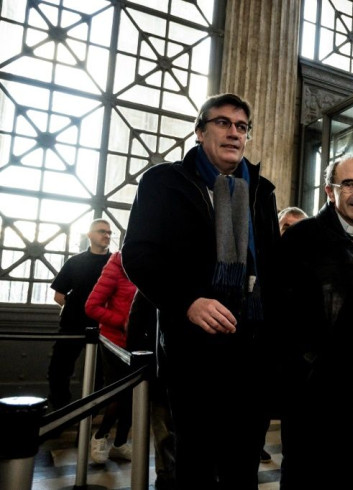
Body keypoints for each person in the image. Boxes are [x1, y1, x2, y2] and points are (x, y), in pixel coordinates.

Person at [121, 93, 280, 489]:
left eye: (242, 126)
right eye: (223, 123)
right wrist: (187, 301)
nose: (234, 133)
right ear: (200, 131)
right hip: (195, 351)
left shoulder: (262, 190)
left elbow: (274, 270)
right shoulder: (165, 182)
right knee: (195, 465)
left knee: (243, 465)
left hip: (253, 351)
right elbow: (138, 255)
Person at [278, 154, 353, 489]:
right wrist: (300, 373)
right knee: (308, 477)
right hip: (313, 395)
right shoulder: (301, 239)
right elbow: (280, 317)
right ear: (330, 190)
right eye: (349, 184)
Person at [257, 205, 308, 466]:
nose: (294, 233)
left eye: (300, 227)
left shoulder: (313, 267)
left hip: (295, 372)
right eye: (288, 227)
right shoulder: (263, 262)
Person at [47, 218, 112, 411]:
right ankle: (61, 413)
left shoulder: (115, 263)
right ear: (89, 235)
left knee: (101, 374)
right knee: (58, 370)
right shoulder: (75, 262)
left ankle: (92, 417)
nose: (107, 236)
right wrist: (75, 308)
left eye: (109, 233)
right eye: (102, 231)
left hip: (103, 327)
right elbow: (59, 296)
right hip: (72, 325)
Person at [85, 250, 137, 463]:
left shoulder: (151, 262)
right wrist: (122, 322)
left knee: (135, 395)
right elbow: (91, 306)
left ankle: (121, 442)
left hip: (140, 343)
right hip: (115, 341)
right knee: (118, 394)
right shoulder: (117, 263)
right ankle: (99, 436)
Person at [126, 291, 176, 490]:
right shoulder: (152, 280)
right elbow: (136, 321)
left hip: (182, 367)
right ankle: (166, 475)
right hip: (158, 366)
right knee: (163, 426)